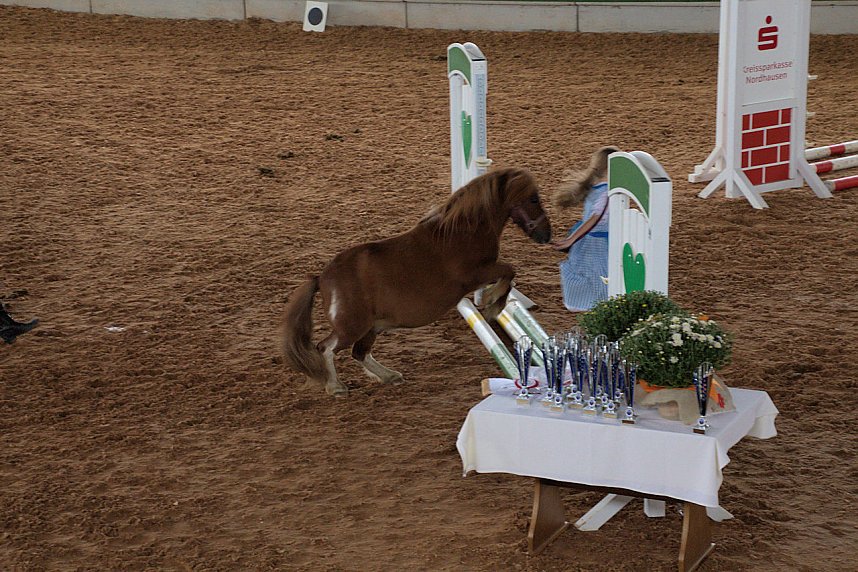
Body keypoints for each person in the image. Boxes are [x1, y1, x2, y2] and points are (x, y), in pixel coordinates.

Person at [553, 146, 620, 312]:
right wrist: (571, 239)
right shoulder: (606, 192)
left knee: (591, 277)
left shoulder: (594, 187)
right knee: (604, 279)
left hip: (588, 241)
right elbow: (594, 219)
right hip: (600, 243)